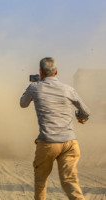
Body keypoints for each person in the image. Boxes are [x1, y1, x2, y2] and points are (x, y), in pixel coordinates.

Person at [20, 57, 90, 200]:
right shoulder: (68, 89)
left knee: (41, 181)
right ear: (57, 71)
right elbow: (86, 111)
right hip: (70, 143)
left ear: (40, 71)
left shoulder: (34, 87)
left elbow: (23, 103)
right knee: (70, 181)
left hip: (48, 143)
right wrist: (80, 117)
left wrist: (33, 84)